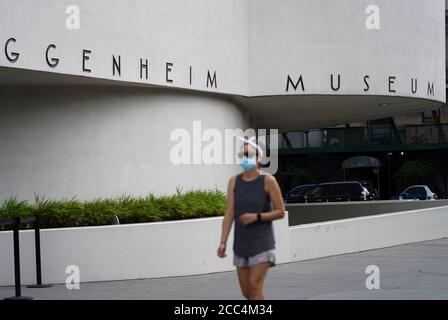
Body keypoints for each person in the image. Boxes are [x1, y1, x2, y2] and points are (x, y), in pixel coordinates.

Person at [217, 137, 285, 300]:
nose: (244, 157)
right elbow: (230, 212)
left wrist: (258, 216)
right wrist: (223, 242)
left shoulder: (268, 181)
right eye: (242, 154)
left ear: (258, 158)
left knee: (255, 286)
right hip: (241, 245)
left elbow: (280, 211)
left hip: (262, 243)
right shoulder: (234, 181)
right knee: (247, 293)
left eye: (248, 154)